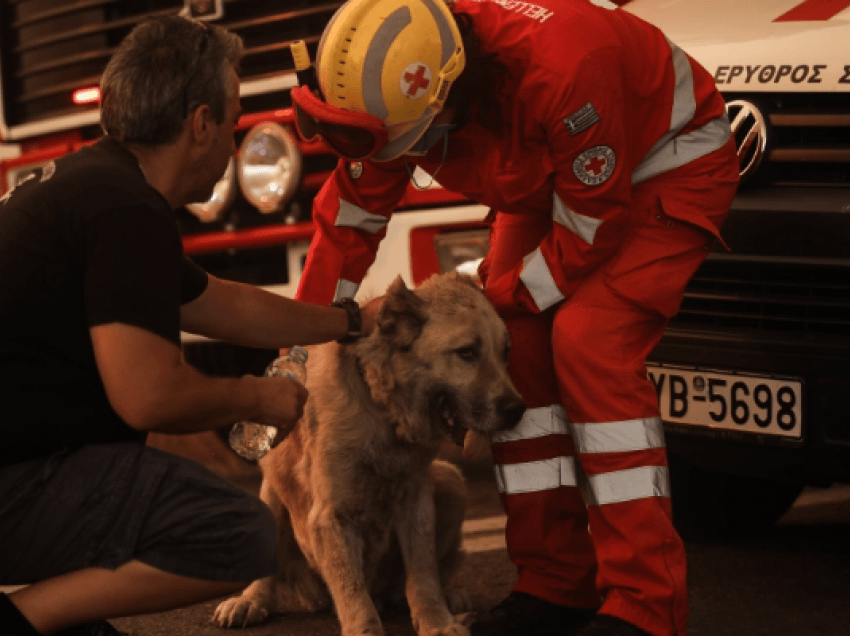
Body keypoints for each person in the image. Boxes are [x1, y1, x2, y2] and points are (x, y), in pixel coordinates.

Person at [290, 1, 740, 635]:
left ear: (449, 92)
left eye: (410, 141)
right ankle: (556, 585)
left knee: (589, 345)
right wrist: (295, 348)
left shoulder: (568, 69)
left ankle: (646, 604)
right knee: (516, 354)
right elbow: (349, 220)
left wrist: (496, 301)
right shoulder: (395, 86)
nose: (404, 156)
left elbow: (591, 226)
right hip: (554, 182)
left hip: (662, 169)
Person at [0, 15, 374, 636]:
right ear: (200, 123)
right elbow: (149, 396)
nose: (232, 145)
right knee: (236, 532)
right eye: (230, 125)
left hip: (19, 468)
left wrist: (349, 321)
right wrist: (260, 396)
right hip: (14, 483)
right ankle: (25, 619)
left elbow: (222, 303)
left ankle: (64, 619)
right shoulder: (125, 210)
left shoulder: (88, 185)